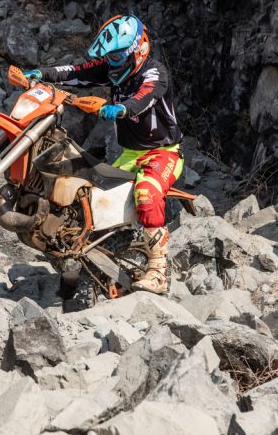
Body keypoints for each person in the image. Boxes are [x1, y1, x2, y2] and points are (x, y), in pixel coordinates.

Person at [22, 15, 184, 295]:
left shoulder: (154, 73)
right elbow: (76, 72)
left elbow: (145, 97)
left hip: (163, 153)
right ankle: (76, 272)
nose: (112, 63)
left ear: (138, 50)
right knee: (88, 202)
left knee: (146, 193)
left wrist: (122, 109)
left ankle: (159, 271)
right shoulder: (112, 67)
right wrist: (41, 74)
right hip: (129, 154)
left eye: (117, 56)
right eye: (109, 57)